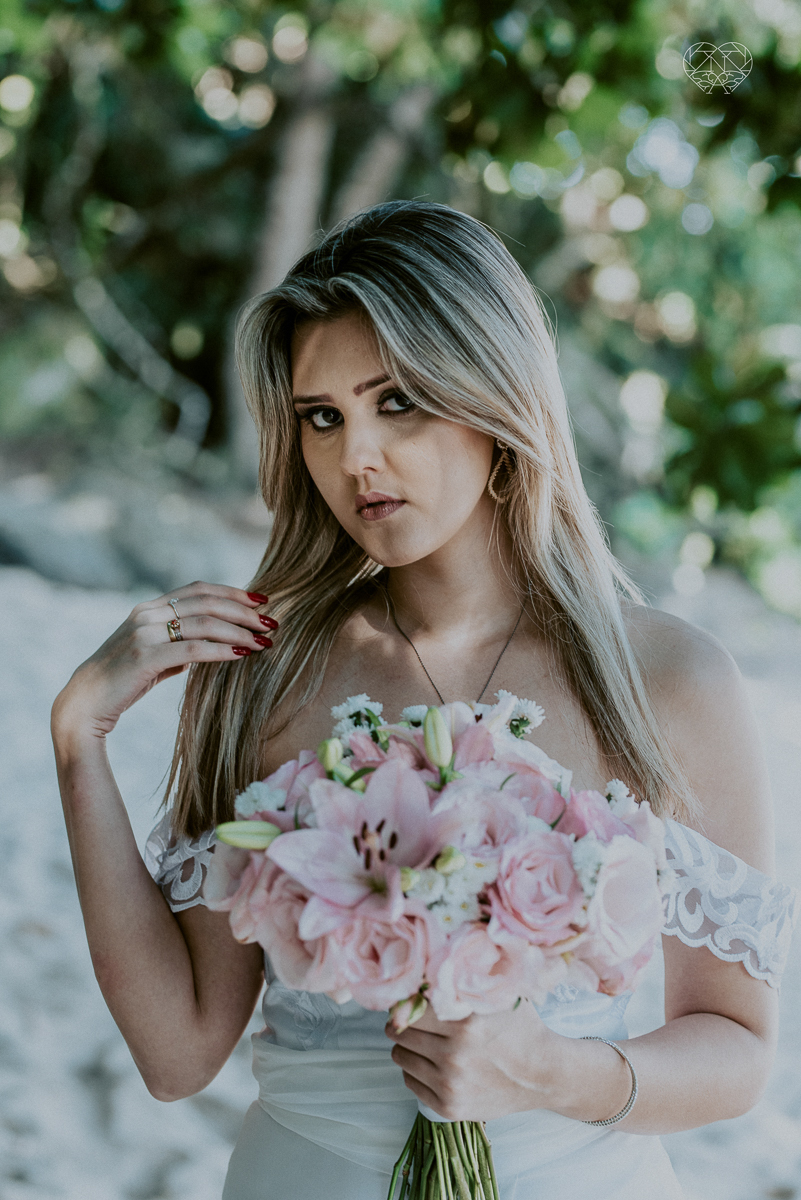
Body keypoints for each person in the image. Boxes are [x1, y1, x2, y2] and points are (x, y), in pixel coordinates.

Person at [51, 201, 798, 1200]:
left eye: (395, 401)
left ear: (493, 393)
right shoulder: (264, 672)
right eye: (323, 417)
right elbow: (178, 1053)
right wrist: (78, 740)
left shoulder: (670, 681)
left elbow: (738, 1050)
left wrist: (554, 1072)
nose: (356, 456)